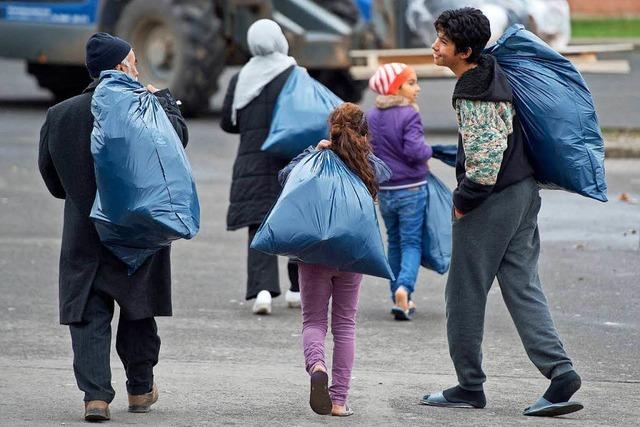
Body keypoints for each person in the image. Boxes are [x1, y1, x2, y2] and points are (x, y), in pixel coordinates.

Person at [420, 8, 583, 417]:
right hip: (524, 191)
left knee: (464, 293)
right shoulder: (493, 69)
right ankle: (560, 372)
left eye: (442, 41)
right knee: (522, 285)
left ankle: (469, 386)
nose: (434, 47)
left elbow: (485, 157)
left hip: (492, 199)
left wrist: (462, 201)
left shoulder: (474, 88)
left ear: (466, 50)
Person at [38, 32, 188, 422]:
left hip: (82, 232)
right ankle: (140, 389)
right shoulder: (144, 106)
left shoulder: (60, 114)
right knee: (138, 311)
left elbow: (53, 182)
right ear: (122, 65)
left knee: (87, 313)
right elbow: (175, 152)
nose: (138, 68)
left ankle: (95, 398)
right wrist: (165, 103)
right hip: (137, 232)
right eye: (135, 61)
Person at [278, 103, 391, 417]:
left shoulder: (318, 160)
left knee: (313, 321)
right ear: (364, 135)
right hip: (352, 256)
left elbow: (285, 176)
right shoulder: (368, 165)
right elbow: (386, 172)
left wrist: (313, 152)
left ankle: (316, 366)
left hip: (315, 253)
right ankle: (339, 401)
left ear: (332, 131)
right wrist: (360, 154)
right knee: (345, 326)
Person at [220, 19, 300, 315]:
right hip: (289, 160)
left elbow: (228, 122)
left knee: (259, 226)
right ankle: (297, 289)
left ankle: (263, 292)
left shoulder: (241, 78)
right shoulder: (294, 74)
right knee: (296, 224)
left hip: (252, 161)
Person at [367, 63, 433, 321]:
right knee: (411, 242)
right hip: (411, 189)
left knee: (394, 241)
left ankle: (398, 295)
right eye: (411, 83)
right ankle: (405, 287)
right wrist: (431, 151)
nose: (417, 88)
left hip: (385, 190)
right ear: (396, 87)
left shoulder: (372, 115)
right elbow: (415, 151)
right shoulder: (409, 114)